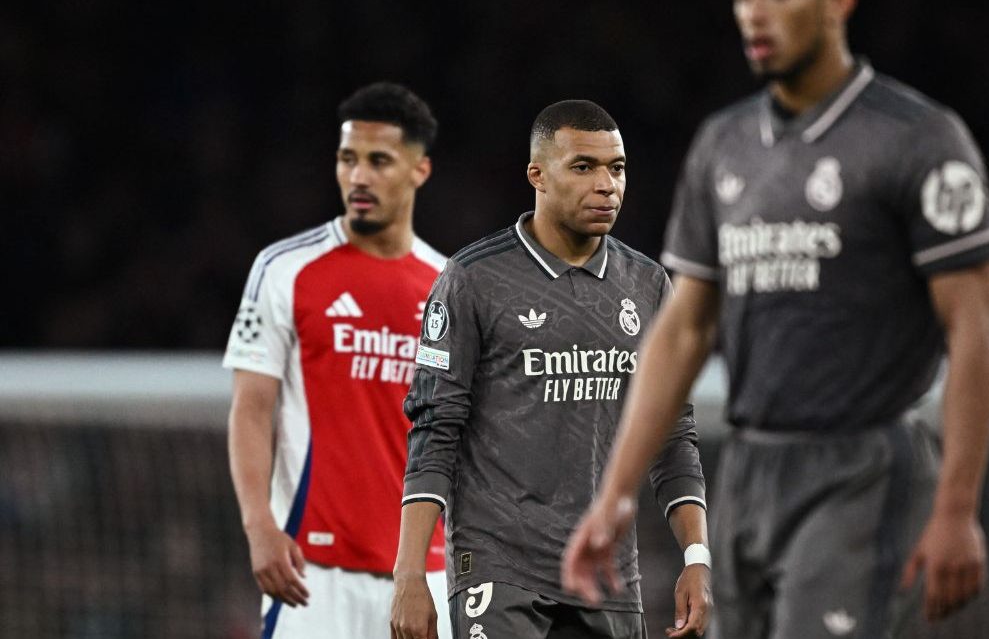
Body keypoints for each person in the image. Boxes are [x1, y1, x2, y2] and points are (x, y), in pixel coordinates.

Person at [562, 0, 989, 637]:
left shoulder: (917, 138)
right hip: (748, 468)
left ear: (840, 0)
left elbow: (976, 325)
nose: (754, 11)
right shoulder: (724, 144)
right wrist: (617, 491)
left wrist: (957, 506)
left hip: (860, 468)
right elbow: (684, 327)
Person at [390, 100, 712, 639]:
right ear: (537, 175)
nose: (607, 184)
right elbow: (434, 430)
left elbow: (672, 434)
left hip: (608, 577)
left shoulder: (647, 285)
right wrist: (409, 573)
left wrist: (697, 555)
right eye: (583, 167)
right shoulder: (474, 279)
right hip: (499, 572)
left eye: (618, 167)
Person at [224, 82, 452, 639]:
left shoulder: (453, 287)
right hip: (312, 575)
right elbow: (251, 408)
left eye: (379, 161)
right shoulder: (284, 270)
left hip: (427, 575)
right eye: (348, 159)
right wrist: (259, 528)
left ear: (420, 170)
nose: (359, 177)